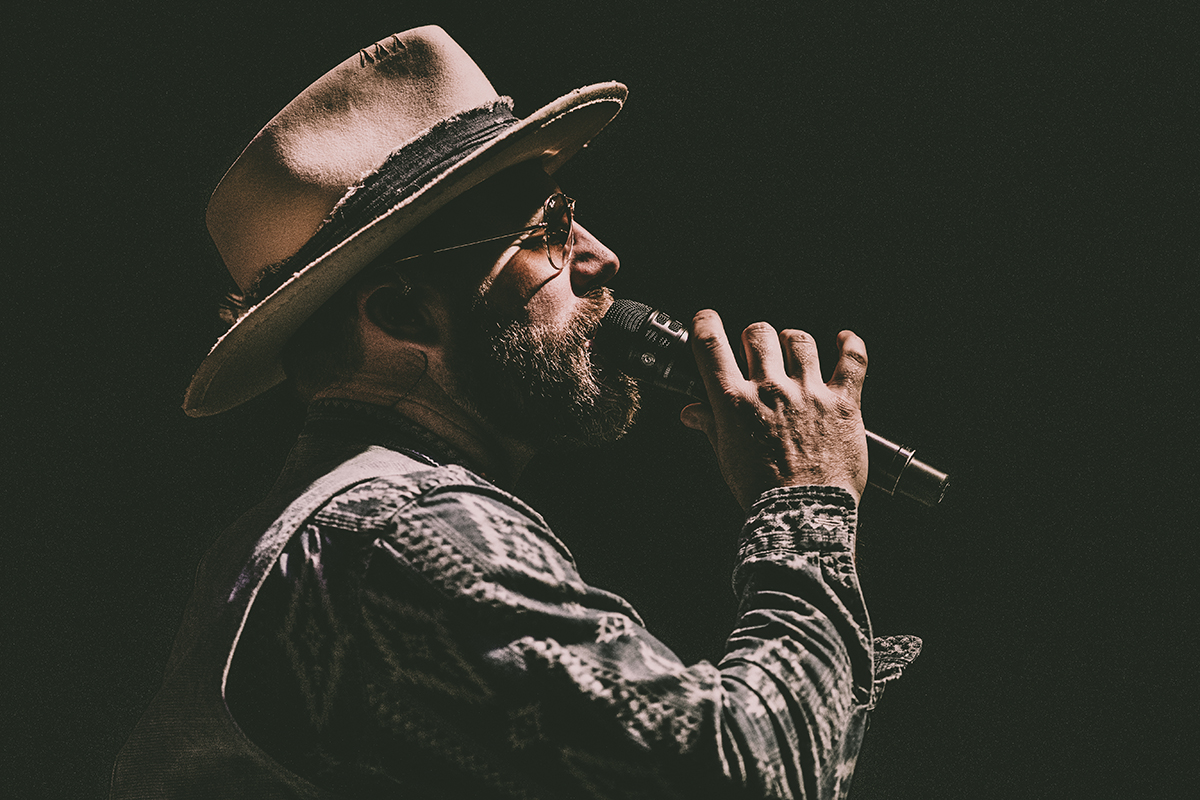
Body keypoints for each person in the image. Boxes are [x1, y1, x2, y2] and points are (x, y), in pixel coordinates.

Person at [111, 25, 920, 800]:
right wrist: (806, 499)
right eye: (548, 230)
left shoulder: (319, 535)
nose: (601, 256)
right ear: (403, 313)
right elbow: (746, 779)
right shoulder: (401, 534)